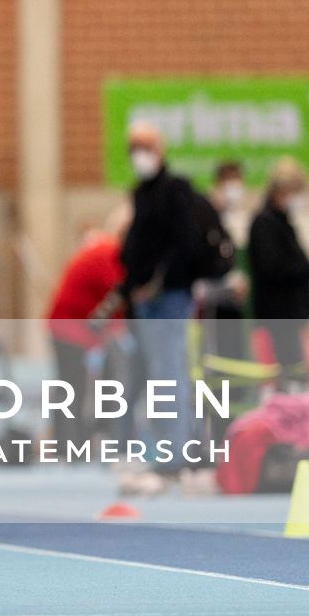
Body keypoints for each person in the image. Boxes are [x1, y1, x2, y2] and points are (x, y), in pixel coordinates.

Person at [118, 123, 207, 468]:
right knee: (157, 377)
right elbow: (135, 246)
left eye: (145, 146)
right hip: (145, 301)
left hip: (170, 295)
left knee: (171, 374)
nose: (139, 154)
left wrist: (158, 279)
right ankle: (166, 449)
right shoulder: (140, 193)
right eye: (133, 147)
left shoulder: (176, 190)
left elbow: (186, 243)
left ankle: (177, 453)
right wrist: (134, 286)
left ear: (160, 148)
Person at [46, 208, 128, 451]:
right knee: (71, 387)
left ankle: (71, 442)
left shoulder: (106, 251)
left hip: (74, 327)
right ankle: (66, 445)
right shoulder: (108, 253)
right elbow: (119, 295)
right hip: (68, 328)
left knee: (72, 386)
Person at [246, 156, 309, 382]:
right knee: (287, 375)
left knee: (296, 373)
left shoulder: (283, 222)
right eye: (297, 192)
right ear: (283, 191)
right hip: (278, 316)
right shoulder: (265, 224)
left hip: (290, 316)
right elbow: (273, 269)